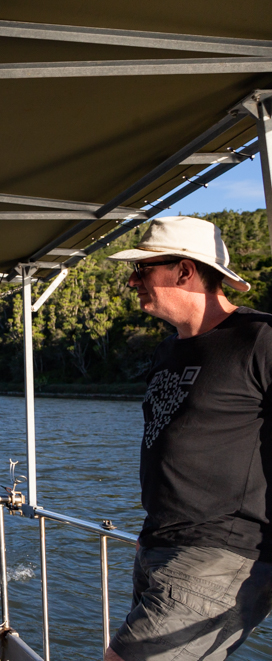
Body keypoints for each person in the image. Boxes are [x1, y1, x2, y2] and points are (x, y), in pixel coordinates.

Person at [104, 216, 272, 661]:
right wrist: (151, 529)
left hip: (223, 553)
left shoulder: (260, 340)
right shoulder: (169, 348)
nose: (132, 279)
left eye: (144, 269)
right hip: (161, 544)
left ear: (184, 270)